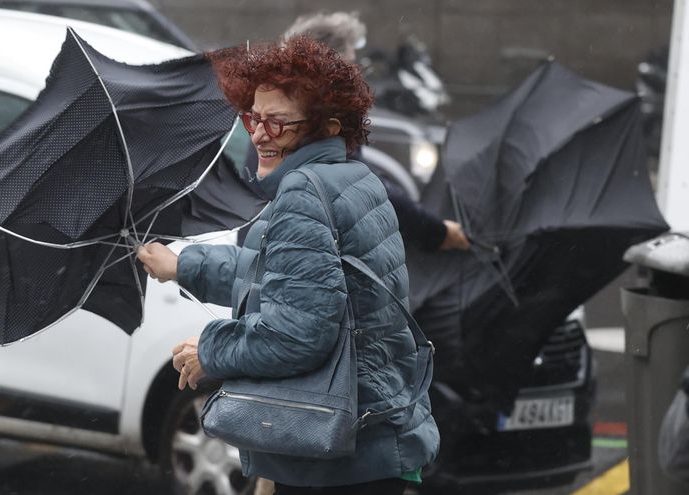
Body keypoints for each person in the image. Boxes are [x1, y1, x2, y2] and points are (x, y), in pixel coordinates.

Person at [137, 36, 439, 494]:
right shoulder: (350, 179)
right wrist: (182, 265)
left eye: (277, 124)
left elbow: (298, 333)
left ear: (328, 127)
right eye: (253, 118)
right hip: (370, 441)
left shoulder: (302, 194)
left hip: (338, 458)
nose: (258, 135)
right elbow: (275, 276)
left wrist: (210, 351)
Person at [281, 11, 470, 252]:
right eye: (349, 60)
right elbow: (368, 188)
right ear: (328, 62)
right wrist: (438, 232)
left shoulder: (282, 110)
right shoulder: (323, 117)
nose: (355, 69)